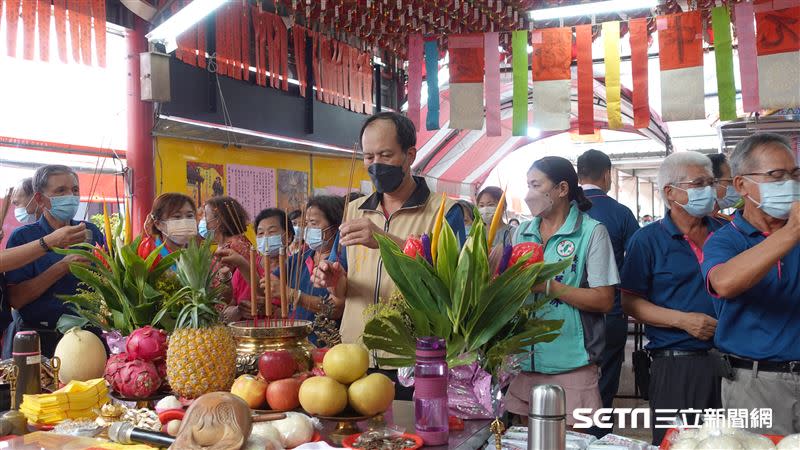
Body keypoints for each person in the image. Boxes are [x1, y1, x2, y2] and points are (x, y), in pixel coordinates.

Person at [312, 112, 465, 394]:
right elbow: (343, 287)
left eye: (385, 155)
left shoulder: (444, 212)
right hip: (355, 356)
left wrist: (386, 240)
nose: (376, 165)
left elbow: (452, 284)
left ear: (410, 154)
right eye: (369, 157)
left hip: (415, 358)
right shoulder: (354, 210)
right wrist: (334, 281)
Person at [619, 151, 726, 445]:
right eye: (699, 183)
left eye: (711, 183)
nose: (709, 191)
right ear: (670, 192)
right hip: (678, 364)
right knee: (680, 441)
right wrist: (682, 321)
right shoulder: (647, 240)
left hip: (732, 363)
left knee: (731, 440)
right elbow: (630, 301)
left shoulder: (726, 233)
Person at [506, 156, 618, 426]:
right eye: (528, 185)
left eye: (536, 185)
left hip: (572, 363)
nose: (529, 194)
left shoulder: (591, 232)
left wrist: (549, 286)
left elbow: (604, 300)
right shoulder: (521, 232)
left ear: (562, 189)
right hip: (525, 363)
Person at [703, 133, 800, 436]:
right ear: (742, 185)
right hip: (756, 384)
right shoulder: (726, 239)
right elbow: (725, 282)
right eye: (776, 176)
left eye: (794, 175)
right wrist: (792, 233)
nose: (790, 184)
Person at [4, 165, 105, 357]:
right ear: (41, 199)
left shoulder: (92, 232)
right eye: (61, 191)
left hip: (89, 339)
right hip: (39, 341)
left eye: (75, 190)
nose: (71, 196)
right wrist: (61, 267)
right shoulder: (24, 237)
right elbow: (16, 299)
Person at [576, 149, 640, 417]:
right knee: (605, 379)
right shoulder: (621, 213)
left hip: (566, 311)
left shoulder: (564, 209)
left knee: (571, 377)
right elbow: (637, 261)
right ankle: (598, 435)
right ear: (607, 174)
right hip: (609, 312)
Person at [267, 196, 345, 346]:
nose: (308, 229)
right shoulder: (300, 258)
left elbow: (335, 309)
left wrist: (293, 295)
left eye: (313, 223)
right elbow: (270, 283)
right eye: (306, 224)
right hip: (294, 342)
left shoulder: (339, 263)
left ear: (334, 227)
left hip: (326, 348)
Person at [217, 208, 295, 324]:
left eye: (272, 232)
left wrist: (273, 311)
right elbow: (224, 312)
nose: (266, 237)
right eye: (260, 233)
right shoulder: (244, 268)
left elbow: (304, 313)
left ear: (288, 237)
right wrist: (239, 311)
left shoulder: (297, 269)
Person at [140, 193, 198, 257]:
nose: (185, 222)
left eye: (189, 216)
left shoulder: (199, 255)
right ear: (158, 224)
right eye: (177, 216)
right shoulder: (150, 257)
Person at [707, 153, 739, 221]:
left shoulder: (724, 222)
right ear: (711, 183)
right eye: (731, 181)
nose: (737, 186)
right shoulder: (691, 226)